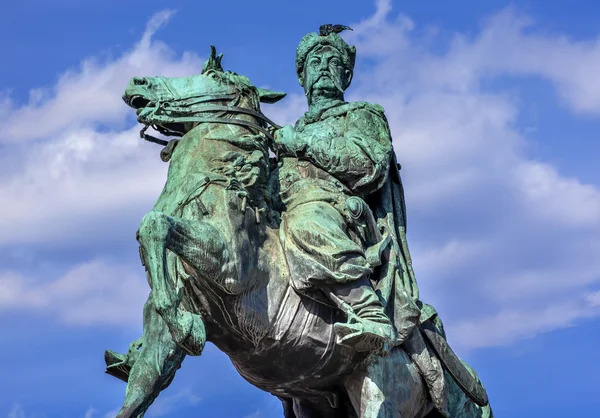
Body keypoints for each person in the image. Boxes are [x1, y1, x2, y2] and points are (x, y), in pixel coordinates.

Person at [272, 25, 420, 355]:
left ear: (347, 75)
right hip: (288, 207)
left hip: (341, 212)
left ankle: (370, 313)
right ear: (302, 76)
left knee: (307, 221)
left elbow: (369, 165)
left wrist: (302, 146)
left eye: (333, 61)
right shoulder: (289, 133)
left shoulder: (362, 114)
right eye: (315, 61)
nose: (323, 66)